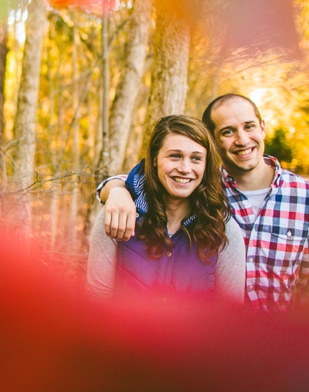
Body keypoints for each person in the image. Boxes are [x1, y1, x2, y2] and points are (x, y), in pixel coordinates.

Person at [96, 94, 309, 312]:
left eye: (249, 126)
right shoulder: (201, 187)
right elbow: (143, 183)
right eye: (228, 132)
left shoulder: (308, 197)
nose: (242, 139)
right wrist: (116, 190)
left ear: (262, 127)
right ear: (213, 141)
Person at [87, 115, 246, 303]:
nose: (185, 168)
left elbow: (228, 317)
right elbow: (96, 303)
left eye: (196, 158)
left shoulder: (224, 231)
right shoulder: (116, 214)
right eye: (175, 156)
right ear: (154, 159)